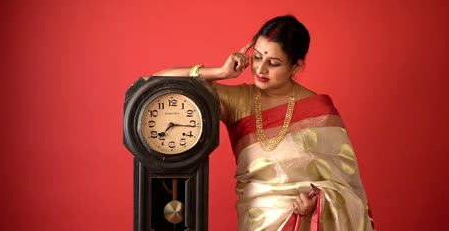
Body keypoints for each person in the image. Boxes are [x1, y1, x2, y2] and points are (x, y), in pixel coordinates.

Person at [152, 15, 374, 230]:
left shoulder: (319, 110)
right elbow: (157, 82)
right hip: (257, 220)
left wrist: (319, 203)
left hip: (307, 224)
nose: (260, 69)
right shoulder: (239, 100)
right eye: (257, 57)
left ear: (295, 67)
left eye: (273, 63)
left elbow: (346, 187)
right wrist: (220, 72)